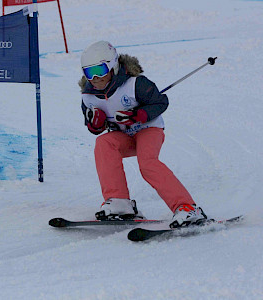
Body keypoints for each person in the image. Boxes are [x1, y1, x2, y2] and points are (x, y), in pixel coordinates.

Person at [79, 41, 207, 228]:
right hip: (124, 136)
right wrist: (95, 124)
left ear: (113, 65)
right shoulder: (88, 97)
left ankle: (187, 208)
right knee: (104, 143)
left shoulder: (136, 84)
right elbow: (92, 127)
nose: (96, 77)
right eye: (90, 73)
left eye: (100, 70)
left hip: (149, 130)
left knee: (147, 163)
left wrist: (138, 115)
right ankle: (119, 203)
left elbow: (160, 102)